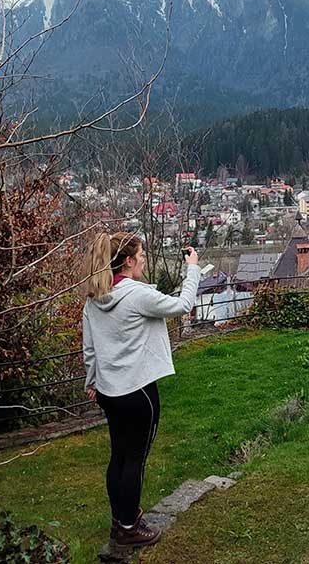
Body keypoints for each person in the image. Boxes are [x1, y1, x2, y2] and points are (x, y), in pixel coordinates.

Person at [82, 232, 200, 549]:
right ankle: (129, 528)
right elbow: (183, 305)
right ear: (128, 261)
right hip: (138, 392)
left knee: (119, 456)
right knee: (135, 460)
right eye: (141, 255)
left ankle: (120, 519)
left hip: (109, 392)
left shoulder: (95, 298)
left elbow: (89, 348)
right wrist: (193, 268)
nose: (145, 260)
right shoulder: (136, 296)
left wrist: (91, 382)